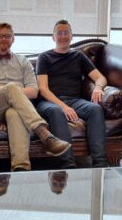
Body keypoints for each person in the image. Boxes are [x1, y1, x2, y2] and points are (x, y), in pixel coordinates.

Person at [0, 22, 71, 171]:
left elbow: (33, 91)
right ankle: (44, 133)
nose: (3, 39)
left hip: (18, 107)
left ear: (13, 39)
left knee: (14, 113)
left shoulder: (23, 62)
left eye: (7, 36)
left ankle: (21, 167)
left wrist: (13, 93)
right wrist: (8, 90)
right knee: (12, 87)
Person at [35, 20, 109, 168]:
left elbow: (100, 77)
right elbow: (43, 89)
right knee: (57, 111)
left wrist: (98, 88)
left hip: (75, 100)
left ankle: (100, 164)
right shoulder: (44, 57)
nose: (63, 36)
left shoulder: (79, 56)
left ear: (71, 36)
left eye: (66, 32)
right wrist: (63, 106)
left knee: (95, 109)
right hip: (49, 103)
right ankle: (68, 164)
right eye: (59, 33)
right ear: (53, 37)